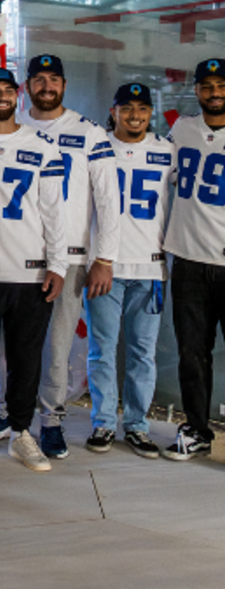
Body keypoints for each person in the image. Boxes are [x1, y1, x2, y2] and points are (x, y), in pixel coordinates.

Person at [0, 67, 67, 474]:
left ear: (17, 96)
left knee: (25, 361)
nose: (1, 97)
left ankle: (22, 432)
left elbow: (55, 213)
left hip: (31, 271)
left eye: (8, 90)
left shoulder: (42, 147)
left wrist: (57, 264)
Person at [19, 54, 120, 459]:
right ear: (27, 85)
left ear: (64, 85)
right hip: (15, 254)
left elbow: (109, 199)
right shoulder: (11, 126)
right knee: (9, 344)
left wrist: (105, 258)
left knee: (56, 347)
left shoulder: (89, 132)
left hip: (73, 257)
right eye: (38, 79)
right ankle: (4, 411)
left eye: (53, 80)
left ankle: (51, 421)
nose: (46, 86)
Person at [84, 83, 170, 458]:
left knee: (142, 352)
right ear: (113, 110)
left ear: (151, 113)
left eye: (142, 108)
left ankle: (136, 425)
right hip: (106, 267)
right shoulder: (96, 147)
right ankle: (103, 423)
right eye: (127, 108)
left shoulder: (169, 151)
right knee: (102, 349)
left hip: (150, 268)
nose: (135, 115)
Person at [162, 58, 225, 461]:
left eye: (221, 85)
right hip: (187, 259)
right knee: (191, 353)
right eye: (207, 86)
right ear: (197, 90)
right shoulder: (182, 129)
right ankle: (198, 430)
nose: (215, 92)